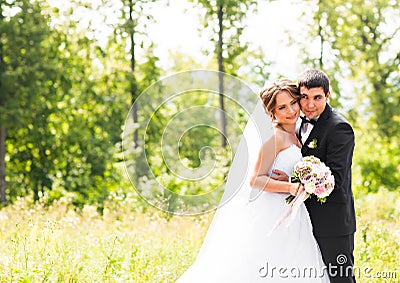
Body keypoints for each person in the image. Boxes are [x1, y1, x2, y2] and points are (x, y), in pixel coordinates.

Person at [176, 78, 329, 282]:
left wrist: (304, 181)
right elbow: (255, 180)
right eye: (282, 107)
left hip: (293, 213)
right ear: (272, 112)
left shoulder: (297, 134)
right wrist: (291, 187)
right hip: (270, 211)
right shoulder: (275, 137)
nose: (291, 110)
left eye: (293, 102)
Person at [273, 69, 356, 282]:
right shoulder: (296, 123)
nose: (310, 105)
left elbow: (334, 180)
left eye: (317, 98)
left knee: (340, 279)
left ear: (327, 96)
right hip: (302, 221)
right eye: (305, 98)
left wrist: (295, 184)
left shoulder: (339, 128)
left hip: (332, 223)